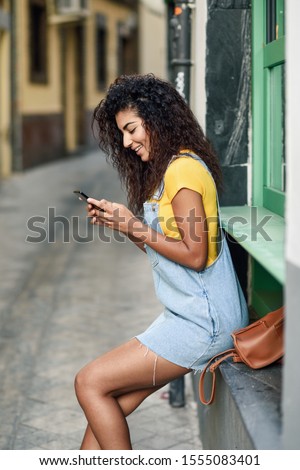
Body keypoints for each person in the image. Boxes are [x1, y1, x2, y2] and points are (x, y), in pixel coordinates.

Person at [74, 73, 249, 450]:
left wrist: (133, 223)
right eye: (121, 133)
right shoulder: (170, 168)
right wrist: (124, 226)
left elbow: (196, 256)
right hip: (188, 315)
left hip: (204, 323)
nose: (126, 142)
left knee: (89, 382)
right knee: (108, 404)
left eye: (132, 129)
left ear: (157, 118)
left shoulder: (182, 169)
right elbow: (171, 254)